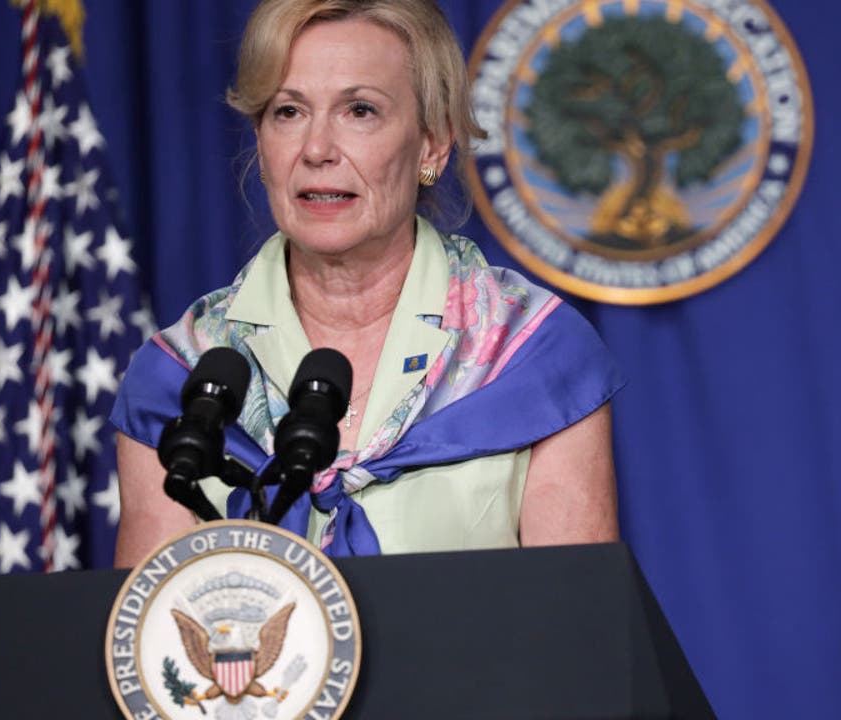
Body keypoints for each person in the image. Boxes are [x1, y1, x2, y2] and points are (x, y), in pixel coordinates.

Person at [110, 0, 623, 567]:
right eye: (288, 112)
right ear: (261, 142)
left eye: (359, 110)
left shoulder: (534, 354)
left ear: (432, 142)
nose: (316, 150)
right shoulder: (181, 377)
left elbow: (576, 616)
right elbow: (151, 618)